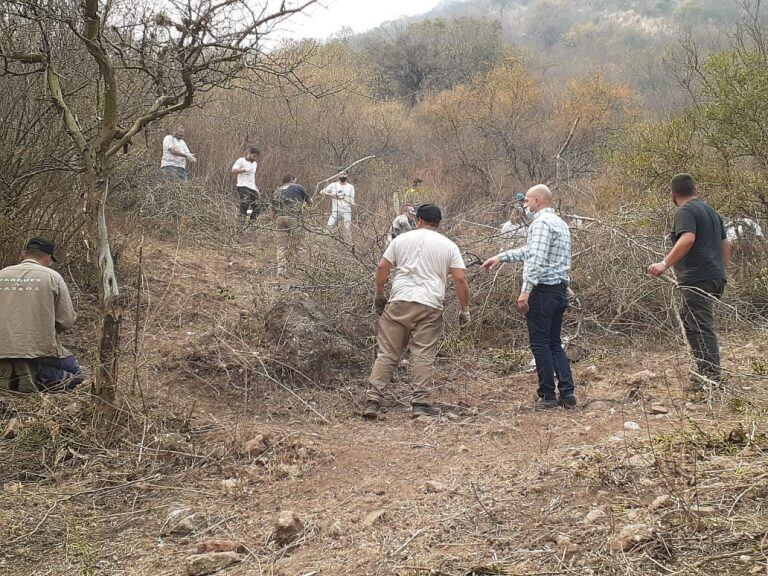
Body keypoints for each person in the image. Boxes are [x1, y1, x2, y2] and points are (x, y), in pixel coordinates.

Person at [364, 204, 470, 420]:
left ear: (418, 220)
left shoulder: (401, 240)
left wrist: (379, 293)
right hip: (429, 305)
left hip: (399, 301)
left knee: (387, 354)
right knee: (423, 354)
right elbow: (460, 278)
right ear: (438, 222)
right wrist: (464, 308)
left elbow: (382, 267)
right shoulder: (449, 245)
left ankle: (373, 400)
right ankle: (420, 404)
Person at [481, 185, 575, 409]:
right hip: (559, 290)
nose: (525, 206)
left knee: (540, 342)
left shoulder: (541, 223)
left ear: (538, 201)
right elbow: (531, 250)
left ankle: (547, 396)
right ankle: (567, 393)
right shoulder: (559, 224)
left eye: (527, 201)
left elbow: (536, 259)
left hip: (543, 290)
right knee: (554, 342)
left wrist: (526, 290)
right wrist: (500, 257)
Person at [648, 173, 730, 387]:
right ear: (696, 189)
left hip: (697, 278)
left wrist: (664, 264)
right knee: (690, 320)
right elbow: (725, 245)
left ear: (673, 194)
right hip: (714, 276)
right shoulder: (712, 212)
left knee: (701, 325)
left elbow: (687, 238)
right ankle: (704, 371)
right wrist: (720, 270)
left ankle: (711, 378)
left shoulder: (685, 211)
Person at [0, 238, 85, 392]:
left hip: (2, 347)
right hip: (38, 348)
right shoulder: (53, 277)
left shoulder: (2, 274)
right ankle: (36, 373)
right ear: (48, 258)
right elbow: (66, 321)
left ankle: (9, 371)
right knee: (77, 374)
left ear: (23, 254)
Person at [272, 175, 312, 276]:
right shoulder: (298, 187)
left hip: (280, 218)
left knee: (281, 247)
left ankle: (281, 272)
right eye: (295, 180)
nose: (295, 182)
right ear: (291, 180)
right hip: (294, 217)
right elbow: (310, 203)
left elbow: (273, 209)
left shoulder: (277, 190)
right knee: (299, 246)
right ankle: (302, 272)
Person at [320, 172, 355, 239]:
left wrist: (352, 203)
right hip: (335, 211)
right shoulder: (333, 185)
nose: (343, 176)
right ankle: (325, 241)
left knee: (347, 230)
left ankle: (348, 244)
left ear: (347, 176)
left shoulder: (351, 187)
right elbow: (321, 192)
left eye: (344, 174)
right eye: (341, 174)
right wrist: (331, 195)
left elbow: (352, 199)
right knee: (329, 227)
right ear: (338, 175)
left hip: (346, 211)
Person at [231, 146, 261, 219]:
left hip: (252, 187)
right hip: (243, 186)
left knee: (257, 206)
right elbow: (233, 170)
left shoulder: (255, 164)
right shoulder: (241, 160)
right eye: (254, 156)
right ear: (249, 153)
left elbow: (252, 176)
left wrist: (256, 189)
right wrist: (244, 170)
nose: (255, 158)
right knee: (245, 204)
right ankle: (241, 222)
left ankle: (252, 223)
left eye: (256, 157)